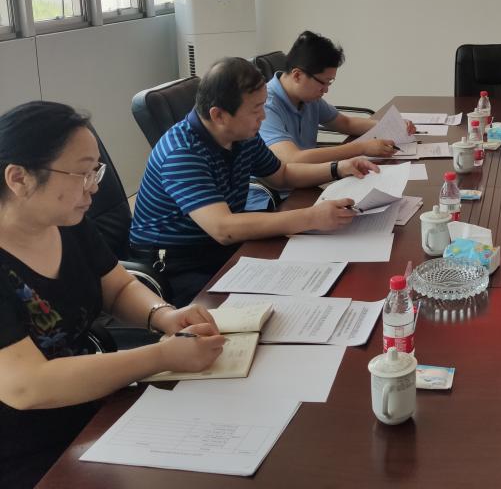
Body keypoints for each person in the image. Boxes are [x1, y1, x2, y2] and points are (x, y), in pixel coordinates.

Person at [0, 102, 225, 488]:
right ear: (19, 178)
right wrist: (161, 356)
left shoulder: (67, 222)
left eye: (96, 171)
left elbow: (118, 286)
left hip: (88, 407)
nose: (94, 186)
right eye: (82, 173)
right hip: (23, 450)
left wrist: (163, 315)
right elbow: (26, 385)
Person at [130, 57, 377, 305]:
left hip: (218, 246)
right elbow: (223, 228)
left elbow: (282, 175)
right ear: (219, 115)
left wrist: (339, 168)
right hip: (177, 264)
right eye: (256, 110)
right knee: (266, 305)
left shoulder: (242, 134)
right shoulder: (182, 153)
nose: (263, 116)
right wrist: (311, 217)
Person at [261, 31, 415, 171]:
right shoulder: (264, 105)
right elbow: (293, 159)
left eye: (330, 82)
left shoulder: (308, 98)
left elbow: (345, 123)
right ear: (297, 75)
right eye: (323, 82)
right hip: (276, 190)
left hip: (308, 177)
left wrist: (393, 125)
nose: (326, 90)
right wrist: (361, 148)